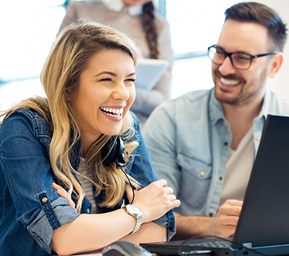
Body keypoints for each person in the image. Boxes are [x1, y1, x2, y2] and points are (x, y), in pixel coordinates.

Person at [0, 21, 180, 256]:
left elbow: (159, 231)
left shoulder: (127, 128)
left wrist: (81, 230)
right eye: (107, 79)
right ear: (67, 87)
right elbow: (63, 240)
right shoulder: (23, 128)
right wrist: (138, 212)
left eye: (130, 80)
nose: (124, 94)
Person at [143, 2, 288, 240]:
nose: (224, 67)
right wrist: (209, 226)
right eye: (220, 52)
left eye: (242, 58)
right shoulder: (171, 118)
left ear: (274, 65)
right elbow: (151, 216)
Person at [59, 0, 174, 127]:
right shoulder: (81, 8)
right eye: (106, 78)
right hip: (78, 124)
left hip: (135, 130)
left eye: (130, 79)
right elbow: (57, 73)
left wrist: (123, 92)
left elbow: (162, 99)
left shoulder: (160, 26)